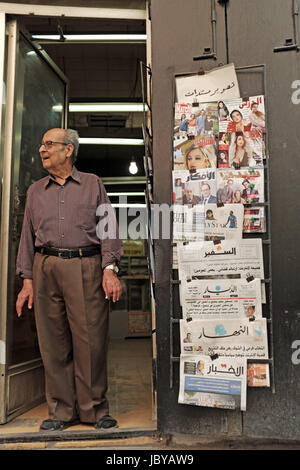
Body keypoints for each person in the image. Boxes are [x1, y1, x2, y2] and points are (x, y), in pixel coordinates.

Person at [16, 128, 123, 432]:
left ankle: (94, 410)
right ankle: (61, 412)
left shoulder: (92, 184)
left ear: (69, 150)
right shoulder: (36, 190)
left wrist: (110, 268)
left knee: (90, 339)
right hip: (45, 265)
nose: (42, 149)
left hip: (85, 265)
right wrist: (27, 278)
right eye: (42, 144)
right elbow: (26, 236)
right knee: (53, 341)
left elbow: (108, 227)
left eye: (49, 144)